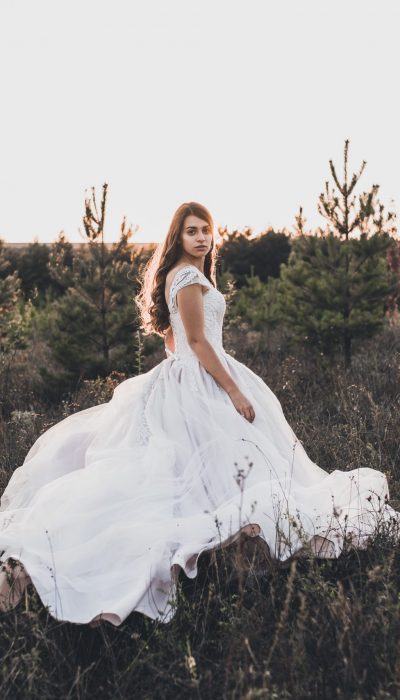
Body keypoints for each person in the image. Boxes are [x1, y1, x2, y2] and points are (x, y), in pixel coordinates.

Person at [0, 201, 399, 627]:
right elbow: (196, 341)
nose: (201, 238)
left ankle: (227, 560)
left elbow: (173, 344)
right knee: (228, 468)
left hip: (187, 377)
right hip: (203, 380)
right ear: (178, 237)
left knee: (207, 475)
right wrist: (233, 391)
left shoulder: (180, 276)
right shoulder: (189, 276)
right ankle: (230, 563)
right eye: (191, 231)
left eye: (206, 230)